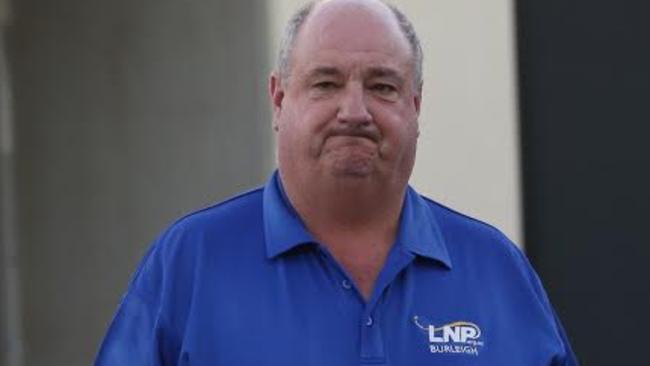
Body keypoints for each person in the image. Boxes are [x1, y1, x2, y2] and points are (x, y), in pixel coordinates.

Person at [95, 0, 579, 364]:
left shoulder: (496, 270)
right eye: (325, 83)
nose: (354, 112)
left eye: (382, 86)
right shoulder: (190, 264)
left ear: (416, 106)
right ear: (280, 99)